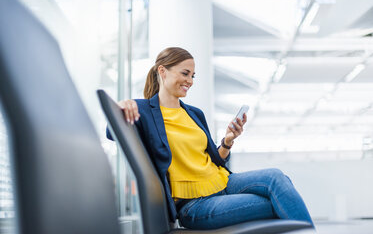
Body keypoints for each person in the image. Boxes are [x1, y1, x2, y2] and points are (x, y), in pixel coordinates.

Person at [107, 47, 314, 230]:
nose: (190, 81)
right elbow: (112, 132)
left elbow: (214, 159)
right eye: (185, 73)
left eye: (193, 76)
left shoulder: (195, 114)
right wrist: (121, 106)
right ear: (162, 71)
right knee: (280, 200)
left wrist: (227, 141)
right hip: (194, 205)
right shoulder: (143, 110)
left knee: (277, 177)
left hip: (223, 183)